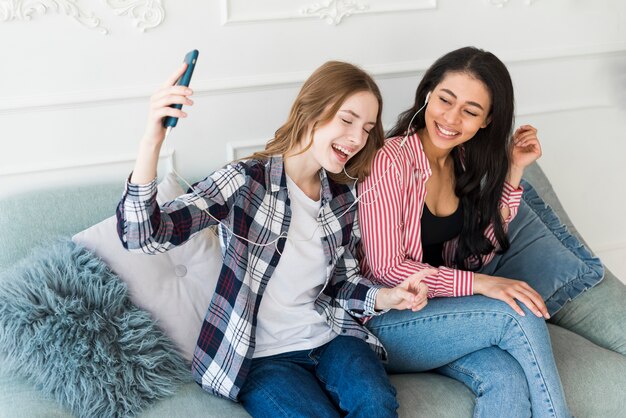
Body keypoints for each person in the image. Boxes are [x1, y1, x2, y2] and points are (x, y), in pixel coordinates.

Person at [117, 60, 434, 418]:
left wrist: (386, 297)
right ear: (311, 110)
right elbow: (141, 236)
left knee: (376, 404)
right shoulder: (245, 182)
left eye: (367, 129)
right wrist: (152, 139)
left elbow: (342, 285)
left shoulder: (344, 197)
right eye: (347, 120)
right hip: (263, 358)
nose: (357, 139)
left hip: (332, 339)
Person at [358, 47, 572, 417]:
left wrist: (515, 170)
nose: (451, 118)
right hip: (383, 320)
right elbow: (385, 269)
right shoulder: (389, 161)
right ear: (427, 93)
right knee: (517, 313)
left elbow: (477, 255)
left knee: (506, 377)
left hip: (440, 316)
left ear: (487, 121)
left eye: (470, 111)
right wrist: (481, 285)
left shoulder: (461, 163)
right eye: (445, 99)